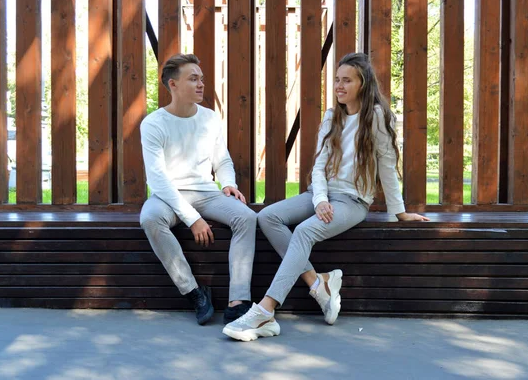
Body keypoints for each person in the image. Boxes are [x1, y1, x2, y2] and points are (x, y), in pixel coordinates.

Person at [222, 52, 430, 341]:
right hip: (320, 193)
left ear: (363, 84)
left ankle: (265, 311)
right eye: (336, 80)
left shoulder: (379, 117)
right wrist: (320, 200)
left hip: (352, 201)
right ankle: (318, 282)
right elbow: (318, 165)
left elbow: (386, 165)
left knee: (305, 231)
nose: (339, 86)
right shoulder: (332, 117)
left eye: (347, 80)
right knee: (268, 216)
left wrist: (399, 211)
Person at [140, 53, 256, 325]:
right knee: (150, 218)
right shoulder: (153, 124)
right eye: (193, 79)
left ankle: (239, 299)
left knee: (247, 217)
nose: (201, 84)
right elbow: (158, 179)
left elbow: (222, 159)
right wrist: (193, 219)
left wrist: (228, 183)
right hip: (168, 195)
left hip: (206, 193)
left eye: (201, 79)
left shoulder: (210, 118)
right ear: (173, 85)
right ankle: (193, 291)